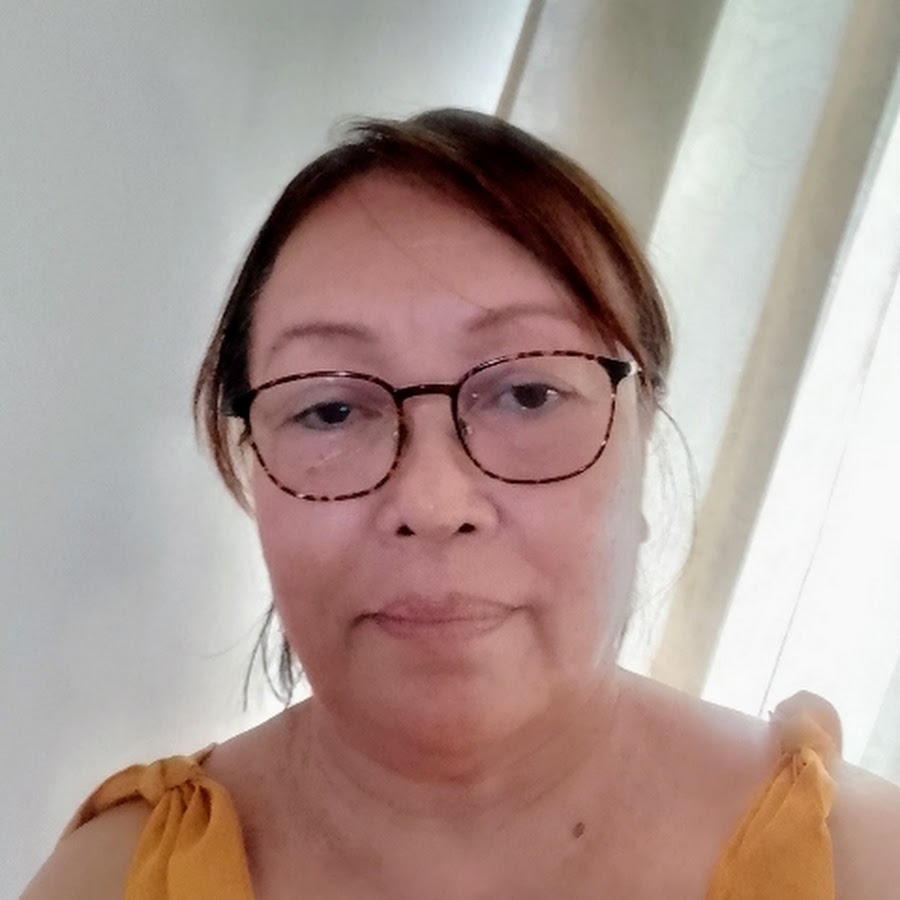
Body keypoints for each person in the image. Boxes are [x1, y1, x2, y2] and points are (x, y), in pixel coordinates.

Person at [23, 109, 900, 899]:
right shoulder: (115, 879)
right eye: (330, 410)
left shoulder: (862, 862)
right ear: (252, 471)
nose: (434, 502)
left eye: (528, 394)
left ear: (643, 439)